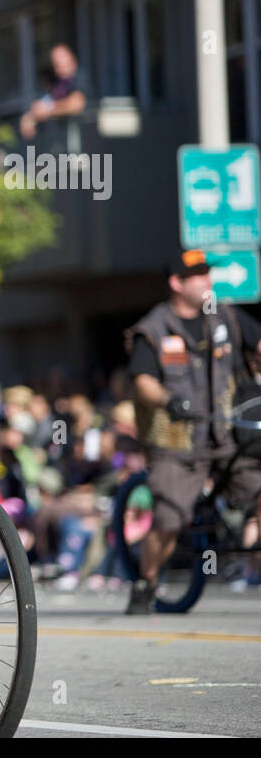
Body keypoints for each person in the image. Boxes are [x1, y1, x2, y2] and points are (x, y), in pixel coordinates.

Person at [124, 250, 261, 613]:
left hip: (227, 437)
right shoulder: (153, 329)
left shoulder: (226, 316)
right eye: (198, 275)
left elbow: (258, 345)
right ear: (176, 283)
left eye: (207, 273)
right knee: (170, 517)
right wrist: (169, 401)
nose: (207, 281)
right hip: (177, 444)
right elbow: (142, 384)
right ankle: (146, 582)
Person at [18, 43, 89, 144]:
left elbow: (76, 105)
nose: (57, 62)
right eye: (54, 60)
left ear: (70, 58)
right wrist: (29, 118)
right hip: (57, 144)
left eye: (60, 58)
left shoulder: (79, 77)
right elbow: (43, 104)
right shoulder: (55, 83)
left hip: (80, 143)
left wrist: (48, 110)